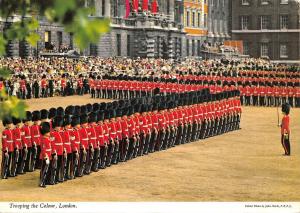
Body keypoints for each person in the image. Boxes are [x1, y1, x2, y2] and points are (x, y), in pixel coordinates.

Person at [39, 122, 52, 187]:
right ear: (45, 132)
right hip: (44, 157)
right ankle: (42, 182)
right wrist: (46, 157)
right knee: (44, 170)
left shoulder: (47, 138)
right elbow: (43, 150)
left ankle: (46, 181)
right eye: (48, 132)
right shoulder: (43, 139)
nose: (50, 133)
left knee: (48, 169)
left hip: (49, 156)